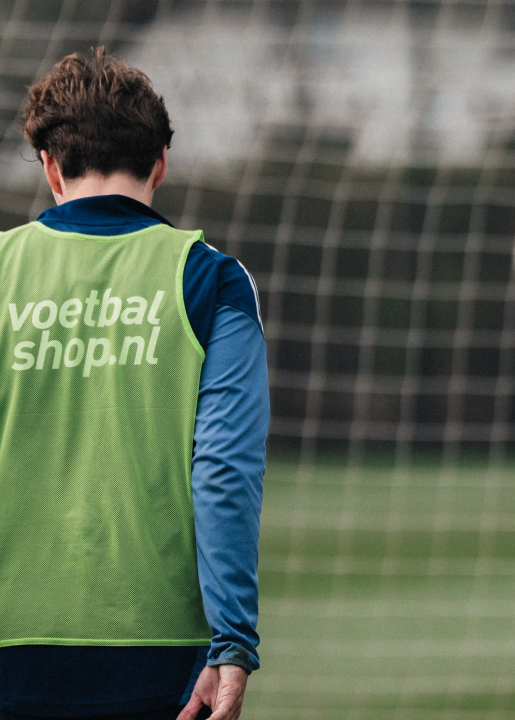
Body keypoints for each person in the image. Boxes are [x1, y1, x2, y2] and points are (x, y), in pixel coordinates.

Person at [0, 48, 266, 720]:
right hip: (163, 651)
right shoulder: (212, 280)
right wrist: (233, 640)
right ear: (160, 165)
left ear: (50, 168)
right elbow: (225, 472)